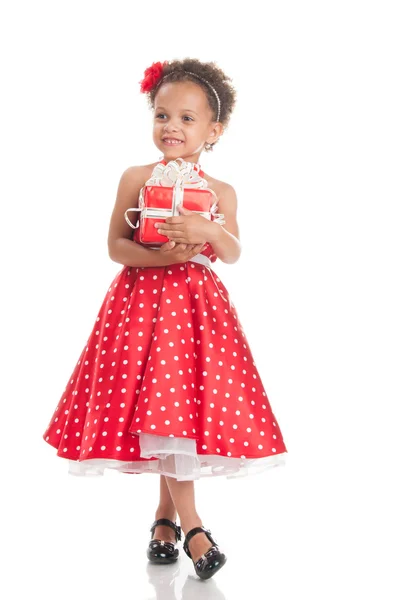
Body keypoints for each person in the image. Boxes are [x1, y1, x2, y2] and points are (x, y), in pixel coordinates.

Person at [42, 57, 288, 580]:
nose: (171, 127)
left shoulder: (220, 192)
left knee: (174, 412)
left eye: (187, 118)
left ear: (214, 129)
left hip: (195, 309)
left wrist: (207, 228)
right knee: (159, 410)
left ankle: (164, 520)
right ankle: (191, 524)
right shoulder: (135, 177)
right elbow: (115, 246)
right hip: (138, 305)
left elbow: (235, 249)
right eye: (161, 115)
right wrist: (165, 258)